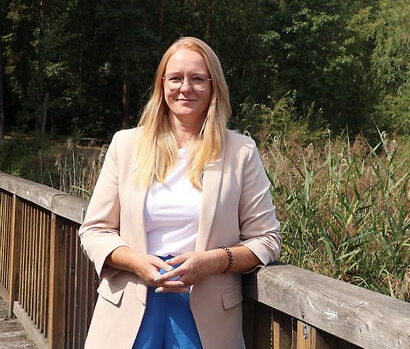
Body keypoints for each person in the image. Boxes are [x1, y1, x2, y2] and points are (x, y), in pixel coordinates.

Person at [78, 36, 281, 349]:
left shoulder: (240, 152)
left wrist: (211, 262)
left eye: (198, 79)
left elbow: (266, 240)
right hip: (130, 309)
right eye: (175, 78)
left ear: (214, 86)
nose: (185, 88)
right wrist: (135, 261)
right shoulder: (127, 145)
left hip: (206, 316)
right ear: (162, 85)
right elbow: (95, 230)